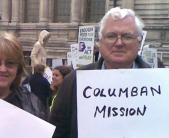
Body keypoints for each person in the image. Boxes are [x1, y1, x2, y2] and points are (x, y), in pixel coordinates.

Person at [49, 7, 151, 138]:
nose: (119, 43)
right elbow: (57, 133)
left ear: (139, 41)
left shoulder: (161, 86)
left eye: (127, 36)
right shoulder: (73, 81)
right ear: (100, 41)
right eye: (111, 36)